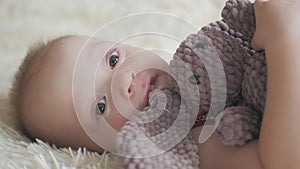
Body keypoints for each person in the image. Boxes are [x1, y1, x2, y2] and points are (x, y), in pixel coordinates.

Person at [8, 0, 300, 168]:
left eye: (112, 60)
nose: (124, 82)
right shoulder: (197, 142)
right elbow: (283, 161)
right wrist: (283, 37)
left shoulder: (214, 57)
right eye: (100, 106)